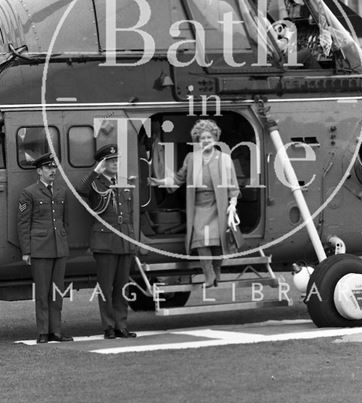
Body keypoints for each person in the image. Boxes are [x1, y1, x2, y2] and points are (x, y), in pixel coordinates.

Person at [149, 120, 240, 288]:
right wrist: (160, 181)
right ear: (198, 140)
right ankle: (209, 275)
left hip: (217, 206)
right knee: (200, 240)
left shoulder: (224, 159)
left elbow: (233, 185)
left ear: (215, 138)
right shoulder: (191, 158)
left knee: (218, 241)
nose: (206, 140)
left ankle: (216, 271)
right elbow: (178, 179)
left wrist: (232, 203)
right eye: (202, 137)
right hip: (198, 206)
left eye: (209, 136)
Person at [77, 144, 137, 339]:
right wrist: (96, 170)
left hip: (123, 241)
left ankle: (121, 325)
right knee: (106, 287)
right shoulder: (96, 184)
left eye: (116, 160)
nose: (115, 163)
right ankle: (109, 327)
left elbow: (129, 214)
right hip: (105, 243)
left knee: (122, 287)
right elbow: (80, 190)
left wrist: (132, 241)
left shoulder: (123, 183)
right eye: (110, 161)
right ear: (103, 163)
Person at [17, 152, 72, 344]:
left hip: (59, 248)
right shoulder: (28, 193)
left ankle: (56, 331)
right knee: (42, 293)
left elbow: (65, 221)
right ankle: (43, 331)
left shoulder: (61, 191)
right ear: (39, 171)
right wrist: (26, 251)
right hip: (40, 249)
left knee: (57, 292)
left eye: (54, 167)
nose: (52, 170)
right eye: (48, 168)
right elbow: (23, 224)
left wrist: (65, 242)